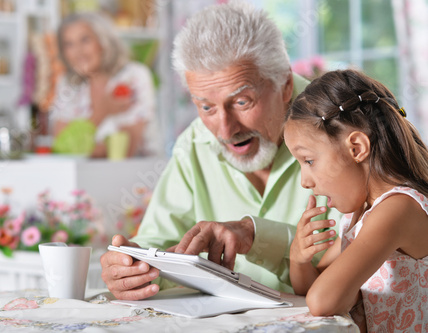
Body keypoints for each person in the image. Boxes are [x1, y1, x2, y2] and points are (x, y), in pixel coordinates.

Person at [100, 1, 341, 301]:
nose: (225, 131)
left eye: (242, 102)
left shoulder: (340, 130)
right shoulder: (195, 144)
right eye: (206, 107)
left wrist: (257, 236)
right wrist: (133, 267)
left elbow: (361, 252)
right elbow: (157, 243)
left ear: (285, 86)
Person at [285, 69, 428, 332]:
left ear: (357, 148)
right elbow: (314, 286)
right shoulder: (362, 214)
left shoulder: (398, 210)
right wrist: (298, 259)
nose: (305, 181)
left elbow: (322, 301)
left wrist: (340, 294)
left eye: (309, 161)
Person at [50, 12, 160, 158]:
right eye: (69, 44)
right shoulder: (69, 84)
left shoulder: (134, 76)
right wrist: (103, 112)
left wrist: (78, 146)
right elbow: (61, 148)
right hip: (84, 176)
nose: (78, 52)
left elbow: (124, 150)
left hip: (136, 175)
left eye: (85, 40)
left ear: (103, 41)